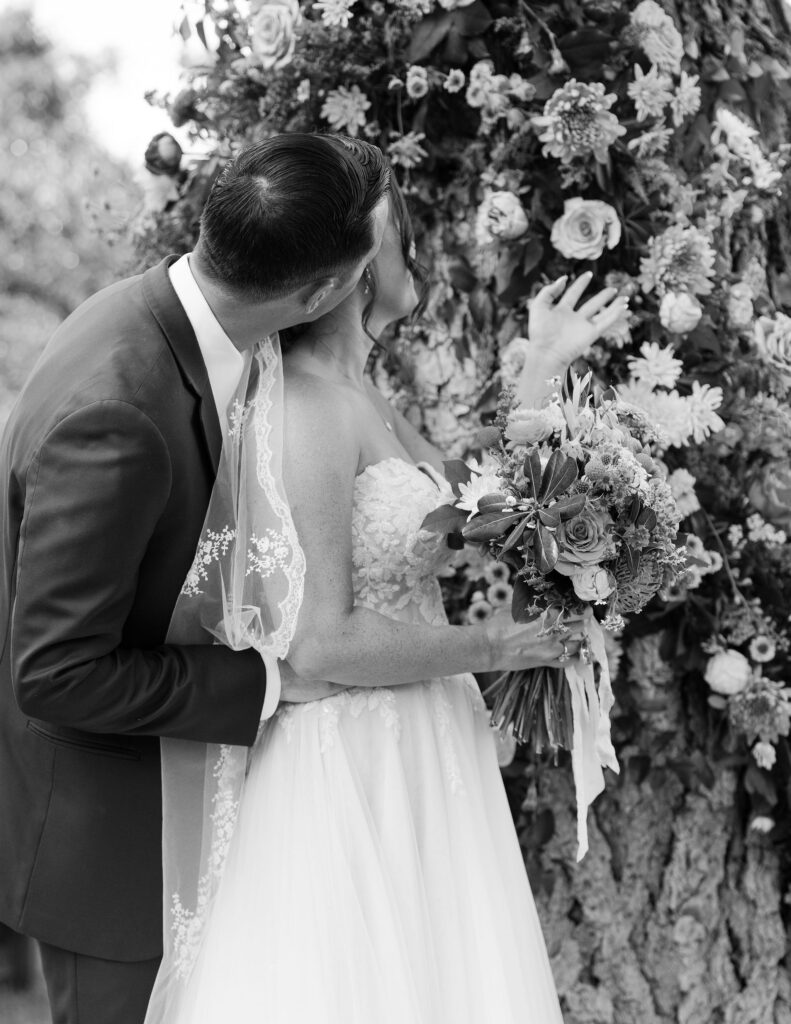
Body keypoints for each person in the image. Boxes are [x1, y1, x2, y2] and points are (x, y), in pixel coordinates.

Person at [143, 164, 628, 1022]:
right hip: (348, 756)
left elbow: (471, 504)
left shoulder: (363, 392)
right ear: (366, 265)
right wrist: (489, 648)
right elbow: (319, 642)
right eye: (402, 235)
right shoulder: (308, 412)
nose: (418, 253)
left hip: (423, 740)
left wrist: (543, 360)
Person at [0, 132, 393, 1024]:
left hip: (191, 807)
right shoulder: (117, 411)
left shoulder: (195, 320)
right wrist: (270, 679)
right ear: (322, 292)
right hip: (106, 858)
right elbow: (56, 674)